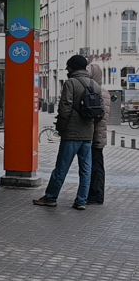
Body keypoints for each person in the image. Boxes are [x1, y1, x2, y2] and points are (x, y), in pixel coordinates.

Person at [33, 55, 103, 210]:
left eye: (68, 66)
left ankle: (50, 197)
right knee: (85, 170)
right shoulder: (95, 85)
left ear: (72, 67)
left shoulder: (70, 83)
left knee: (61, 168)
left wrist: (61, 127)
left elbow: (65, 108)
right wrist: (91, 125)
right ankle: (81, 201)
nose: (66, 69)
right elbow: (101, 112)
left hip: (71, 134)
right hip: (88, 134)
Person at [87, 64, 110, 205]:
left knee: (95, 166)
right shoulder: (104, 91)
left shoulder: (97, 92)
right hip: (99, 135)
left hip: (95, 135)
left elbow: (97, 116)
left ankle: (96, 194)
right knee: (97, 165)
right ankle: (95, 193)